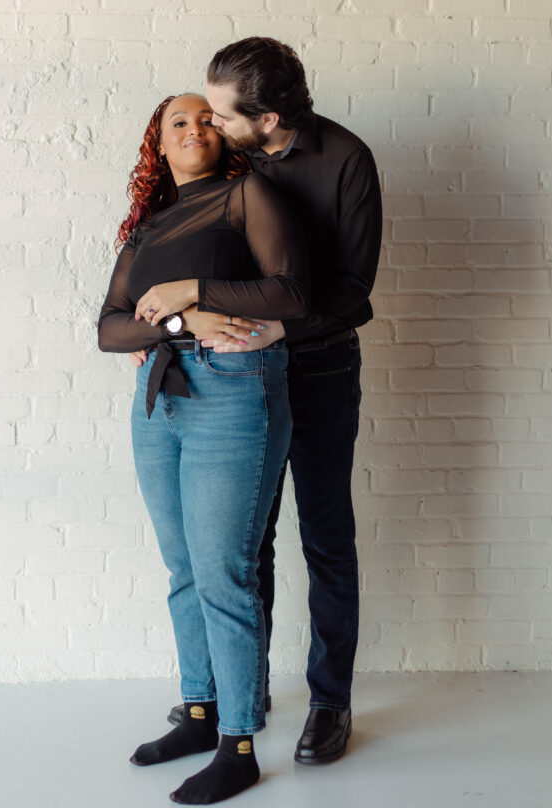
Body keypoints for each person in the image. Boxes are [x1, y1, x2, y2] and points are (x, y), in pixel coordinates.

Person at [163, 39, 382, 765]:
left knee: (324, 536)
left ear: (270, 117)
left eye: (222, 115)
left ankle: (329, 703)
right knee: (241, 546)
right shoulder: (229, 155)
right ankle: (239, 699)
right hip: (233, 378)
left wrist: (276, 328)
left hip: (316, 369)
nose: (208, 125)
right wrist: (167, 321)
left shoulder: (347, 159)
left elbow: (354, 290)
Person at [97, 92, 309, 804]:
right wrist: (184, 317)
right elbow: (109, 328)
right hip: (159, 396)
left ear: (223, 136)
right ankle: (198, 711)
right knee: (183, 567)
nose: (193, 129)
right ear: (158, 144)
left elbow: (289, 292)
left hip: (235, 388)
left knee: (223, 571)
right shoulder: (148, 225)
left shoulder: (247, 195)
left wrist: (191, 296)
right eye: (175, 123)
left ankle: (238, 743)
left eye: (203, 119)